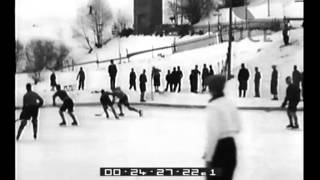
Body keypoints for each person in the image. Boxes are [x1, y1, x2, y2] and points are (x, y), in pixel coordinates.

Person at [203, 75, 241, 180]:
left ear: (211, 89)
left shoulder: (213, 106)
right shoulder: (230, 103)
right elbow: (238, 127)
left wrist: (208, 158)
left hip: (218, 151)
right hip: (231, 148)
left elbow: (213, 135)